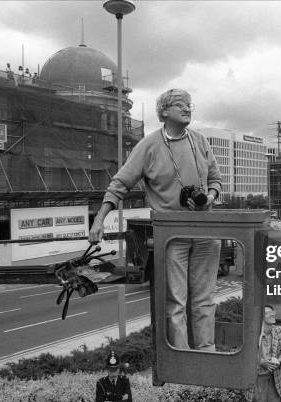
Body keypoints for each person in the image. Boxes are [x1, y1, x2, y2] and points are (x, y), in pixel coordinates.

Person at [88, 89, 222, 351]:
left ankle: (207, 356)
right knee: (176, 303)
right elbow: (119, 185)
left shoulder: (200, 141)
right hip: (173, 236)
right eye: (180, 105)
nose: (187, 109)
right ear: (164, 112)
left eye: (189, 105)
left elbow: (216, 179)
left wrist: (210, 196)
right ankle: (182, 362)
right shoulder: (149, 146)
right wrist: (99, 220)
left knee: (205, 300)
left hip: (206, 231)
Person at [250, 304, 281, 402]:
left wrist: (279, 361)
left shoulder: (279, 330)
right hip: (257, 379)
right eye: (267, 313)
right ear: (260, 317)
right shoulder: (252, 332)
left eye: (272, 312)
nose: (272, 315)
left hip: (274, 378)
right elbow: (246, 356)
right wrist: (261, 362)